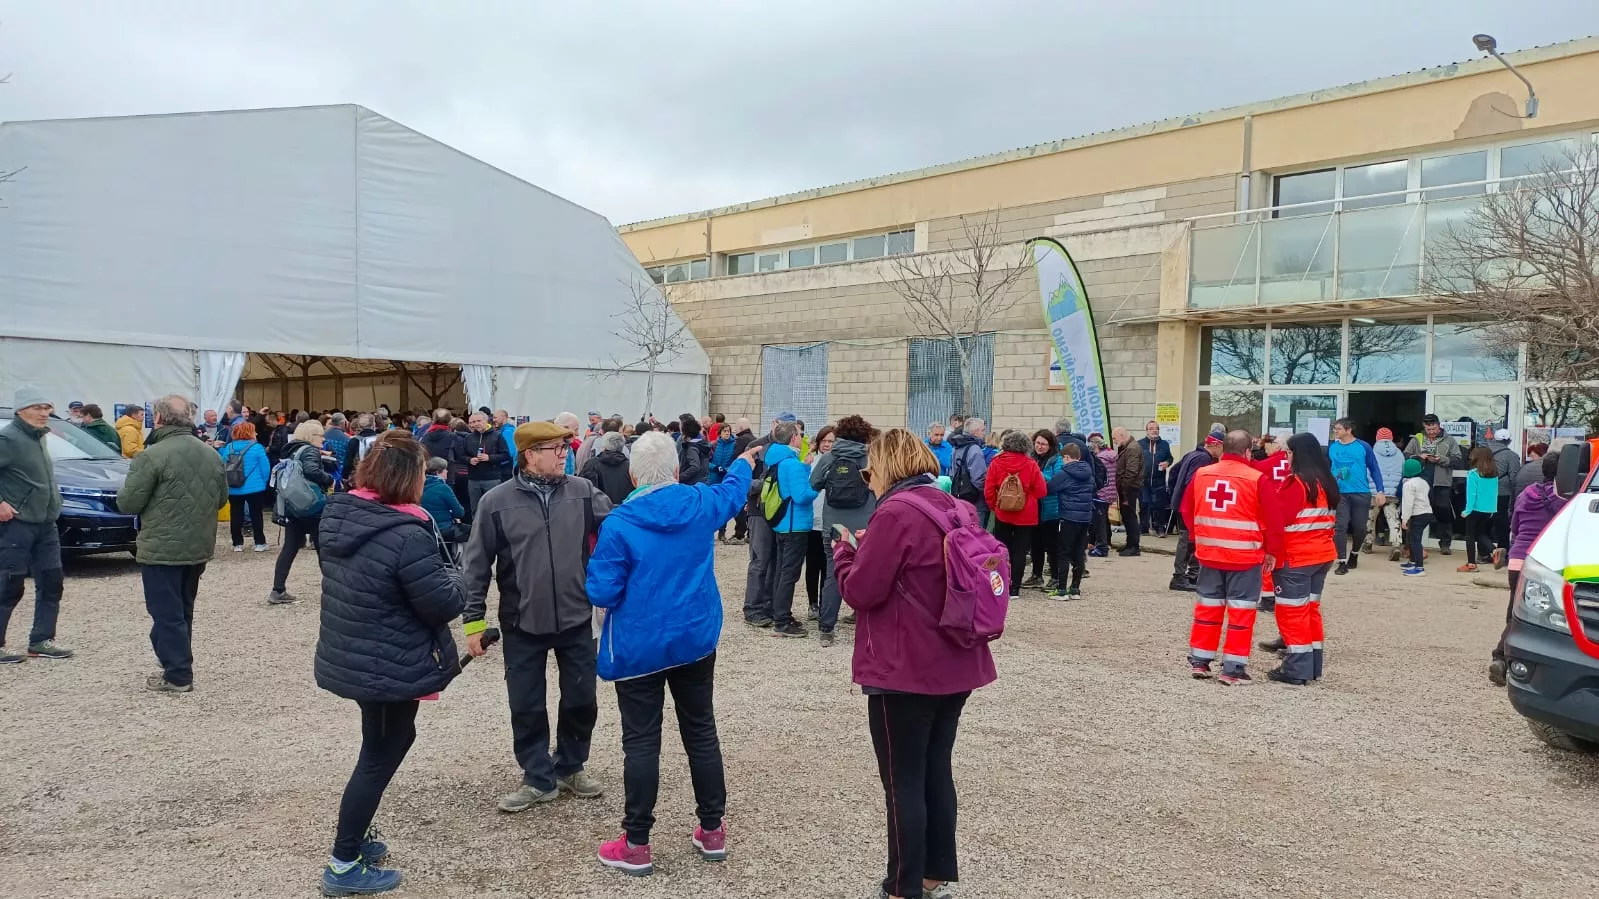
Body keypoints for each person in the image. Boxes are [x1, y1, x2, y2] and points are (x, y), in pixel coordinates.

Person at [832, 428, 997, 899]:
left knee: (902, 780)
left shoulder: (897, 513)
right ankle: (935, 870)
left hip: (906, 666)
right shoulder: (955, 506)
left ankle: (902, 884)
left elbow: (862, 591)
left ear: (885, 467)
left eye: (869, 471)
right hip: (956, 655)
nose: (868, 481)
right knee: (935, 769)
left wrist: (845, 553)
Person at [584, 432, 757, 876]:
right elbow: (734, 492)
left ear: (634, 474)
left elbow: (601, 589)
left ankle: (637, 841)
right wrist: (743, 461)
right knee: (700, 730)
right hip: (693, 639)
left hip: (640, 645)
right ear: (677, 471)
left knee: (641, 740)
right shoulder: (699, 504)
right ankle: (712, 828)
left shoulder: (620, 524)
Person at [313, 429, 468, 897]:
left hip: (361, 652)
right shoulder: (405, 534)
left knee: (387, 742)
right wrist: (458, 575)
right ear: (408, 479)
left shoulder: (343, 515)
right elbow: (442, 603)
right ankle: (343, 862)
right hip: (386, 661)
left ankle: (356, 841)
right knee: (379, 755)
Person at [462, 420, 612, 813]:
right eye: (556, 449)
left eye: (565, 448)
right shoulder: (495, 501)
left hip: (577, 617)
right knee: (525, 703)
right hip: (521, 621)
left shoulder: (582, 492)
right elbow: (475, 565)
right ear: (530, 455)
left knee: (582, 698)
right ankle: (537, 777)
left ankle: (571, 766)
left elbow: (617, 529)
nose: (566, 454)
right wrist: (473, 621)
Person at [115, 395, 229, 692]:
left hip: (162, 546)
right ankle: (174, 657)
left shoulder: (150, 456)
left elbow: (128, 502)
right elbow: (221, 499)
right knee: (182, 608)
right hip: (197, 544)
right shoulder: (211, 454)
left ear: (159, 419)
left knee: (165, 611)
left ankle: (178, 673)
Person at [1185, 430, 1276, 686]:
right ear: (1248, 452)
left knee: (1207, 608)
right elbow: (1272, 519)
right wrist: (1271, 550)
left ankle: (1200, 661)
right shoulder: (1257, 478)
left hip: (1209, 553)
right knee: (1241, 612)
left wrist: (1198, 538)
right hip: (1244, 556)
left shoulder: (1202, 474)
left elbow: (1185, 508)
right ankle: (1233, 669)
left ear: (1223, 448)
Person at [0, 388, 72, 663]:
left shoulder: (39, 437)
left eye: (47, 407)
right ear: (21, 410)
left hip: (46, 521)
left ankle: (41, 640)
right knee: (9, 583)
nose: (44, 413)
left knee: (52, 580)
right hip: (17, 522)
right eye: (37, 407)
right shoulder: (8, 438)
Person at [1263, 433, 1339, 686]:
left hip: (1297, 556)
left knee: (1291, 613)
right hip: (1322, 554)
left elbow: (1278, 519)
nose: (1286, 457)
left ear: (1298, 455)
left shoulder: (1297, 483)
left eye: (1289, 452)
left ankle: (1296, 668)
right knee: (1310, 610)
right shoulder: (1326, 482)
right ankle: (1312, 664)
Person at [1490, 451, 1567, 685]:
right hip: (1541, 563)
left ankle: (1503, 659)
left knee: (1515, 611)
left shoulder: (1527, 493)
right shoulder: (1564, 499)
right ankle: (1502, 658)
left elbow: (1514, 523)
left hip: (1516, 559)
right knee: (1537, 616)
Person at [809, 415, 876, 645]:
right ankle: (864, 620)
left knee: (833, 575)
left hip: (834, 527)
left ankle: (827, 629)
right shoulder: (870, 459)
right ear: (865, 435)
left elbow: (813, 484)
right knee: (868, 573)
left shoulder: (829, 458)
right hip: (865, 527)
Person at [760, 421, 819, 638]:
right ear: (793, 437)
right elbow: (802, 496)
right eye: (800, 434)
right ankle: (783, 621)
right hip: (796, 524)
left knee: (781, 572)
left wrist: (803, 467)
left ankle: (779, 613)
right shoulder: (791, 464)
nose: (802, 438)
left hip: (783, 524)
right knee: (789, 574)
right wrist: (817, 486)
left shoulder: (778, 459)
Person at [269, 420, 335, 605]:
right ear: (311, 436)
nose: (323, 439)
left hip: (293, 506)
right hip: (312, 506)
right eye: (320, 435)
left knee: (289, 548)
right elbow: (311, 470)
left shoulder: (291, 450)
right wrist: (328, 479)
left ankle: (278, 589)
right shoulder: (311, 451)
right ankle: (332, 591)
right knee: (323, 548)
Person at [984, 430, 1047, 599]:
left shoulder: (996, 462)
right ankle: (1015, 588)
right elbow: (1042, 491)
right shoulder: (1031, 464)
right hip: (1026, 514)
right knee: (1020, 551)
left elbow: (988, 489)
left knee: (1001, 549)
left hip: (1003, 512)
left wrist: (994, 506)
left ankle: (999, 584)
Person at [1166, 429, 1224, 591]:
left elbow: (1174, 473)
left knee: (1191, 540)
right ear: (1216, 445)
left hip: (1181, 503)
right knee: (1187, 541)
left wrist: (1174, 495)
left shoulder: (1191, 454)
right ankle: (1180, 577)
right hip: (1189, 506)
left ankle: (1192, 575)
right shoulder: (1204, 458)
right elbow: (1195, 483)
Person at [739, 418, 784, 626]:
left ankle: (770, 605)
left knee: (775, 561)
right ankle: (753, 608)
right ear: (773, 424)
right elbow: (742, 480)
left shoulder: (791, 449)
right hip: (759, 512)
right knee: (760, 560)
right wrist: (767, 483)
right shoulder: (755, 447)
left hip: (781, 513)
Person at [1327, 418, 1384, 575]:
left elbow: (1374, 468)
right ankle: (1342, 561)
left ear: (1348, 429)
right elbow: (1328, 469)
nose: (1335, 431)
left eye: (1338, 429)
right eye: (1334, 429)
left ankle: (1354, 554)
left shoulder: (1363, 446)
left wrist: (1380, 490)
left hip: (1360, 492)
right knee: (1340, 527)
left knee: (1359, 528)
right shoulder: (1332, 447)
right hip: (1339, 494)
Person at [1403, 414, 1462, 554]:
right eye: (1428, 429)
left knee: (1443, 510)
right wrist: (1418, 457)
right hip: (1422, 479)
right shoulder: (1417, 439)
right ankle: (1410, 545)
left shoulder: (1449, 440)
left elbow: (1458, 459)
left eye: (1433, 429)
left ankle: (1445, 544)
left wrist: (1441, 459)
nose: (1431, 432)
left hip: (1442, 481)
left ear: (1438, 425)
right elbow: (1405, 455)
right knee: (1417, 510)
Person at [1048, 441, 1095, 599]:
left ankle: (1061, 589)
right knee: (1079, 553)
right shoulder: (1088, 472)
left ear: (1066, 457)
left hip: (1068, 518)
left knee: (1064, 552)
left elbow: (1050, 488)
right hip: (1085, 518)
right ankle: (1075, 588)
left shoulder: (1064, 473)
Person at [220, 422, 271, 553]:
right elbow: (265, 468)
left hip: (233, 486)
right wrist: (263, 482)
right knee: (256, 515)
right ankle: (259, 543)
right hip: (254, 486)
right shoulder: (257, 447)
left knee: (236, 514)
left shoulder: (228, 447)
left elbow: (223, 465)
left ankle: (237, 543)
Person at [802, 425, 835, 622]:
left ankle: (826, 603)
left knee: (828, 566)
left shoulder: (839, 462)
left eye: (831, 441)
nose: (828, 444)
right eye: (825, 441)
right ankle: (812, 602)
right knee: (813, 565)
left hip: (830, 520)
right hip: (812, 520)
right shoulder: (811, 461)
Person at [1025, 431, 1062, 590]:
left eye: (1044, 444)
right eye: (1038, 443)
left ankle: (1055, 576)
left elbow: (1057, 482)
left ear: (1050, 445)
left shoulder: (1057, 460)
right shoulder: (1031, 458)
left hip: (1051, 507)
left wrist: (1038, 475)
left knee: (1052, 545)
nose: (1040, 447)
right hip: (1034, 506)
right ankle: (1036, 574)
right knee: (1036, 543)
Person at [1458, 446, 1499, 573]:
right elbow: (1494, 493)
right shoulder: (1494, 474)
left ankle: (1471, 564)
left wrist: (1467, 510)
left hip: (1474, 509)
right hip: (1488, 510)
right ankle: (1494, 551)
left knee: (1470, 535)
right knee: (1481, 533)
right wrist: (1493, 509)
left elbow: (1471, 494)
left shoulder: (1473, 474)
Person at [462, 412, 510, 517]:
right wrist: (469, 460)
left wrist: (490, 458)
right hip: (473, 479)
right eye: (473, 422)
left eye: (479, 421)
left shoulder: (497, 436)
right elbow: (461, 456)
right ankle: (477, 531)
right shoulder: (468, 438)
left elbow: (506, 455)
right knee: (476, 509)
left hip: (492, 479)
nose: (476, 424)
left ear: (486, 421)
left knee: (494, 508)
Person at [1368, 428, 1407, 559]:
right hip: (1393, 492)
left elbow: (1368, 471)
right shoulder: (1399, 454)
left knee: (1370, 518)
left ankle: (1368, 543)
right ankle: (1396, 544)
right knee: (1394, 518)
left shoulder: (1372, 452)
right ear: (1391, 438)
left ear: (1377, 438)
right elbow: (1403, 470)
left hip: (1375, 492)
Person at [1485, 429, 1521, 560]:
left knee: (1484, 522)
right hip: (1502, 492)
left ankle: (1484, 552)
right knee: (1501, 522)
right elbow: (1514, 477)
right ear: (1509, 441)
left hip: (1485, 490)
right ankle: (1502, 553)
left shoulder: (1485, 453)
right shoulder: (1511, 456)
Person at [1137, 421, 1174, 537]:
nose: (1154, 430)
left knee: (1159, 505)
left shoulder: (1164, 444)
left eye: (1156, 428)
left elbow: (1170, 458)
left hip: (1159, 481)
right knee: (1144, 504)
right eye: (1151, 428)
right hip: (1144, 480)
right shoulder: (1140, 444)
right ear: (1146, 431)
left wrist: (1167, 463)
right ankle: (1143, 528)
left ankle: (1160, 528)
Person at [946, 418, 989, 517]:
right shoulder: (975, 449)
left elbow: (951, 472)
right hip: (976, 501)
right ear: (976, 432)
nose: (984, 433)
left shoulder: (956, 447)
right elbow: (979, 479)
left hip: (959, 496)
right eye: (983, 430)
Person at [1112, 426, 1144, 556]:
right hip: (1126, 488)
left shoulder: (1132, 448)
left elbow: (1131, 471)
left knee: (1130, 517)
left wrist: (1124, 488)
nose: (1114, 441)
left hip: (1129, 488)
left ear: (1121, 435)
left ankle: (1134, 546)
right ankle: (1130, 543)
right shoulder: (1126, 447)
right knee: (1126, 516)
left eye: (1115, 438)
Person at [1398, 458, 1432, 577]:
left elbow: (1408, 503)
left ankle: (1419, 567)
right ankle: (1412, 562)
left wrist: (1404, 519)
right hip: (1427, 512)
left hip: (1417, 514)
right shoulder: (1423, 482)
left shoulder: (1408, 484)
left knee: (1414, 541)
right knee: (1414, 538)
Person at [420, 456, 468, 541]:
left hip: (426, 529)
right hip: (444, 529)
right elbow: (460, 512)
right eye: (445, 469)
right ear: (438, 472)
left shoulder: (420, 486)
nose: (447, 471)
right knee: (474, 531)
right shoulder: (443, 488)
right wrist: (451, 515)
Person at [584, 431, 637, 506]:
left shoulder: (591, 464)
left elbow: (584, 490)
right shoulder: (630, 467)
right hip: (623, 511)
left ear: (604, 447)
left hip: (598, 511)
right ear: (622, 447)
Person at [1090, 435, 1118, 557]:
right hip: (1111, 492)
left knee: (1100, 520)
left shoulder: (1100, 459)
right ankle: (1107, 542)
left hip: (1102, 493)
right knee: (1104, 518)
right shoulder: (1112, 455)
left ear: (1096, 446)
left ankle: (1101, 546)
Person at [678, 417, 712, 486]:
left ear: (686, 433)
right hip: (701, 482)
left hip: (691, 484)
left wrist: (680, 477)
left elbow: (695, 467)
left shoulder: (692, 448)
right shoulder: (702, 444)